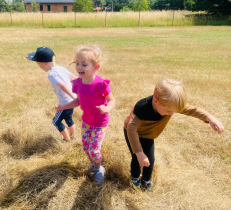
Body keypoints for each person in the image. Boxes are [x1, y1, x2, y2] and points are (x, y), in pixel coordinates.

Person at [124, 79, 224, 192]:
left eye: (173, 112)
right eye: (168, 112)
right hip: (134, 134)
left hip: (148, 136)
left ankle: (146, 181)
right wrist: (139, 152)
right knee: (137, 159)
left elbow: (192, 110)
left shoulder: (168, 105)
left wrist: (209, 117)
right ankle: (135, 179)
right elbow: (131, 129)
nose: (171, 114)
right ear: (156, 101)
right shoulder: (142, 107)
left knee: (150, 159)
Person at [56, 45, 115, 185]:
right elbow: (78, 100)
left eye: (84, 64)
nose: (79, 67)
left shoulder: (101, 84)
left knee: (94, 150)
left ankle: (99, 168)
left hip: (99, 124)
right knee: (85, 147)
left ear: (96, 67)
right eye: (77, 63)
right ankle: (95, 164)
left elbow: (112, 100)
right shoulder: (78, 83)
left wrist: (107, 109)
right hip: (86, 122)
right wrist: (63, 106)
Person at [27, 47, 77, 141]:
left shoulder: (52, 75)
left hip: (65, 102)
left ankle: (67, 140)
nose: (39, 67)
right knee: (68, 119)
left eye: (39, 64)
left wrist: (73, 96)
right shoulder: (61, 68)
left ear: (45, 63)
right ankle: (73, 137)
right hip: (71, 101)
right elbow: (74, 78)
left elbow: (62, 85)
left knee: (56, 121)